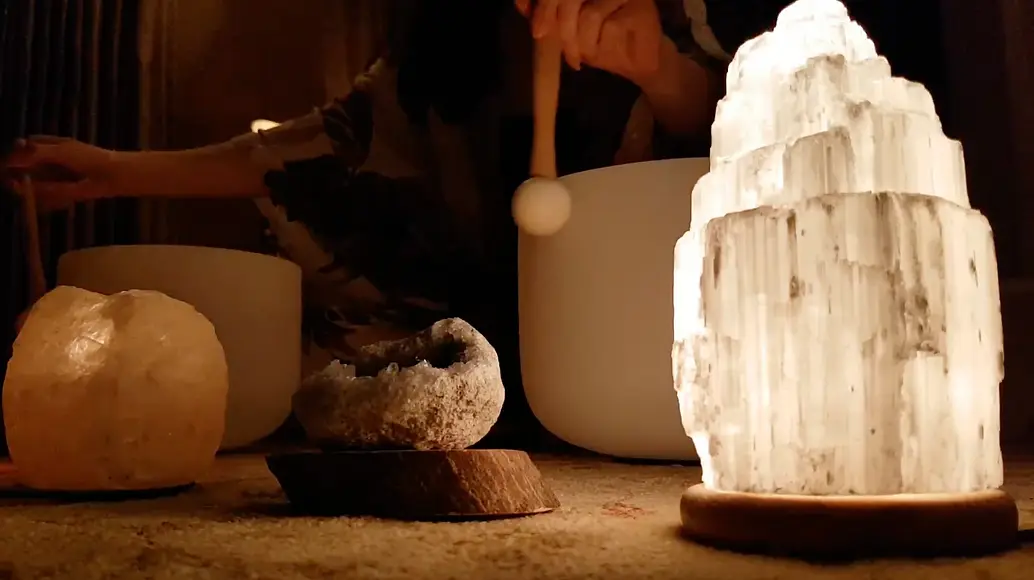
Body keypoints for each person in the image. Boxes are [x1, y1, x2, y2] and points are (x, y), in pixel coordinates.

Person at [2, 0, 743, 443]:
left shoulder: (674, 17)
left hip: (633, 365)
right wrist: (117, 171)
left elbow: (738, 133)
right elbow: (314, 151)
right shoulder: (442, 43)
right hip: (463, 362)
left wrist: (658, 69)